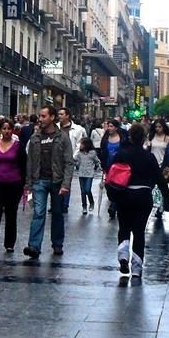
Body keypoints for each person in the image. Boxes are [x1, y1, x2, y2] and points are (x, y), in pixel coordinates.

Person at [107, 124, 169, 278]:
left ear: (129, 136)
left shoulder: (121, 154)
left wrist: (112, 195)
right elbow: (160, 179)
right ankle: (136, 268)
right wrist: (168, 198)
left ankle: (123, 255)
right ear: (143, 138)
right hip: (143, 196)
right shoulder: (149, 157)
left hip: (124, 195)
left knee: (124, 227)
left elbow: (111, 173)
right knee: (139, 231)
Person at [22, 106, 74, 258]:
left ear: (52, 117)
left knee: (57, 213)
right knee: (38, 213)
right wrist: (28, 184)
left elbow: (69, 162)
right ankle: (34, 246)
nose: (40, 119)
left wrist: (66, 184)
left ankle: (57, 244)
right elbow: (30, 162)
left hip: (57, 181)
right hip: (39, 180)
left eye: (43, 116)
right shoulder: (35, 138)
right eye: (40, 116)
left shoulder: (62, 137)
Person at [0, 119, 26, 254]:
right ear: (0, 130)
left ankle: (9, 243)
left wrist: (23, 184)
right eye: (4, 129)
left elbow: (23, 165)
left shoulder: (18, 145)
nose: (6, 131)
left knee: (11, 213)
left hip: (13, 184)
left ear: (12, 130)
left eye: (9, 129)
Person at [58, 108, 86, 214]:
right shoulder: (55, 127)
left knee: (66, 182)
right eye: (58, 114)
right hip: (56, 160)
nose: (59, 116)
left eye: (61, 114)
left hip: (69, 160)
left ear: (67, 116)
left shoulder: (78, 129)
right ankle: (56, 203)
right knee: (55, 182)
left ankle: (65, 204)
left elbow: (80, 145)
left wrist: (73, 157)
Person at [100, 119, 127, 220]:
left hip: (119, 167)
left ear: (116, 128)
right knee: (109, 186)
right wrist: (103, 166)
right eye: (108, 126)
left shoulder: (122, 138)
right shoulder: (105, 138)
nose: (109, 128)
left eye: (111, 126)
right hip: (108, 166)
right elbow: (102, 152)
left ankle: (114, 205)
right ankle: (113, 201)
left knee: (117, 186)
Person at [75, 137, 101, 215]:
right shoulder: (79, 153)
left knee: (87, 189)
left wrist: (99, 166)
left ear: (86, 144)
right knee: (83, 191)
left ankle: (91, 202)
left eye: (82, 144)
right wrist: (75, 163)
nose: (80, 145)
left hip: (89, 174)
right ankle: (84, 206)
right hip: (81, 174)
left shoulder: (92, 153)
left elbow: (97, 161)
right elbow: (76, 162)